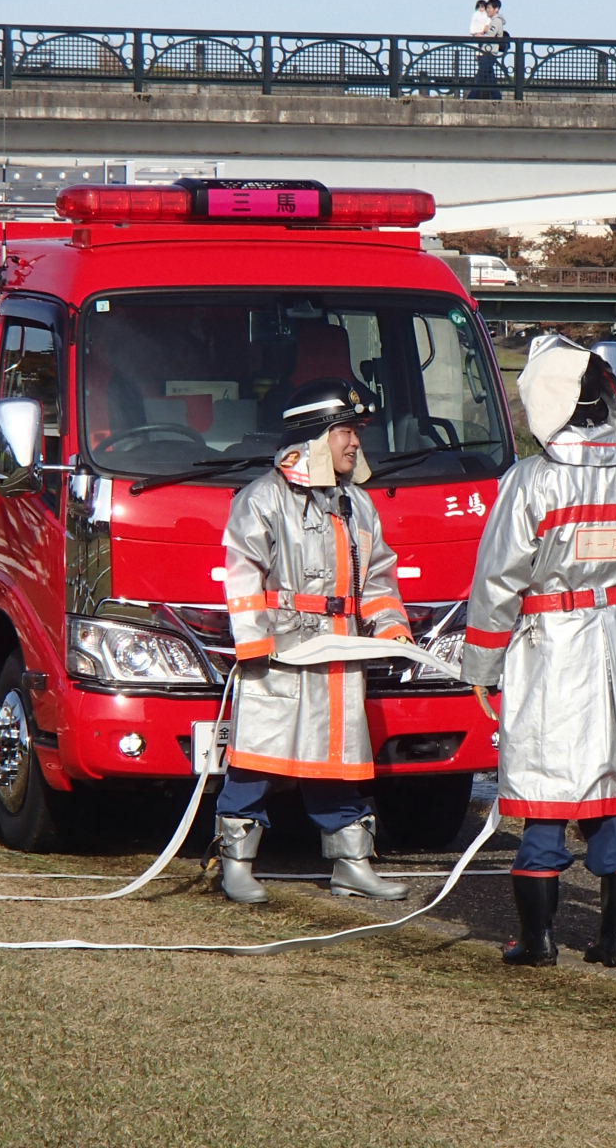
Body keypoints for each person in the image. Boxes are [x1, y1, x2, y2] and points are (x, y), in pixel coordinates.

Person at [460, 334, 616, 968]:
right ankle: (614, 940)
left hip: (551, 648)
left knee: (545, 785)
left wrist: (479, 663)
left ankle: (537, 942)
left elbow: (498, 580)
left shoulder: (531, 481)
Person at [213, 377, 416, 904]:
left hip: (341, 651)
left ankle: (351, 863)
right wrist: (255, 645)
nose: (355, 443)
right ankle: (236, 863)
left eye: (356, 432)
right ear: (314, 439)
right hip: (279, 655)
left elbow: (378, 578)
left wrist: (392, 630)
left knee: (338, 759)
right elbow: (242, 575)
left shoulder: (358, 505)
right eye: (346, 431)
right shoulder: (262, 499)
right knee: (259, 757)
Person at [468, 0, 505, 100]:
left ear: (496, 9)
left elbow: (491, 35)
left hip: (489, 52)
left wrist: (481, 35)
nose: (487, 10)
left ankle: (472, 97)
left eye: (489, 8)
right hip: (488, 51)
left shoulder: (496, 21)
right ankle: (496, 97)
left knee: (482, 75)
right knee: (489, 77)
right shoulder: (493, 21)